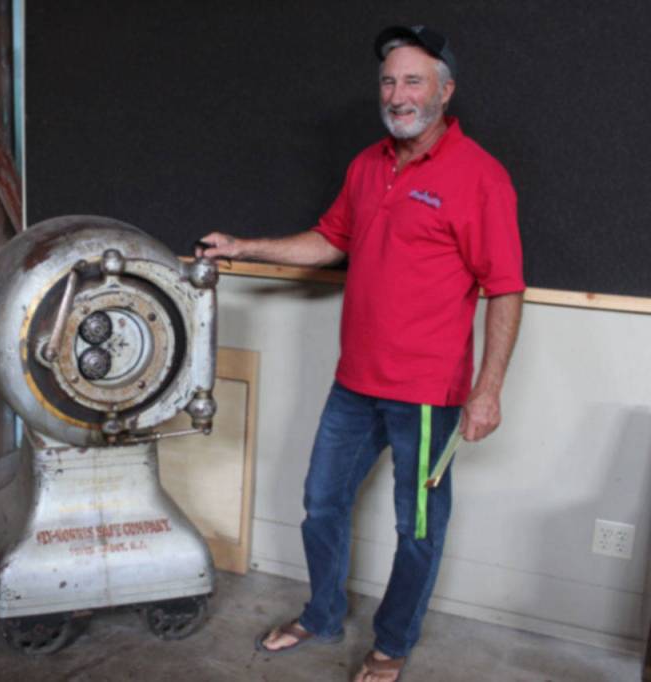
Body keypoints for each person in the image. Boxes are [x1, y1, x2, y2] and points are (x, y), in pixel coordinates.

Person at [198, 25, 524, 682]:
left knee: (417, 530)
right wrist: (245, 246)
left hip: (429, 396)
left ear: (445, 90)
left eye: (412, 81)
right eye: (388, 81)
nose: (397, 94)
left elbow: (506, 288)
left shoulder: (480, 177)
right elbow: (328, 241)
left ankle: (392, 646)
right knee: (322, 503)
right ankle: (321, 614)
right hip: (355, 385)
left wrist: (487, 389)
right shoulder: (367, 165)